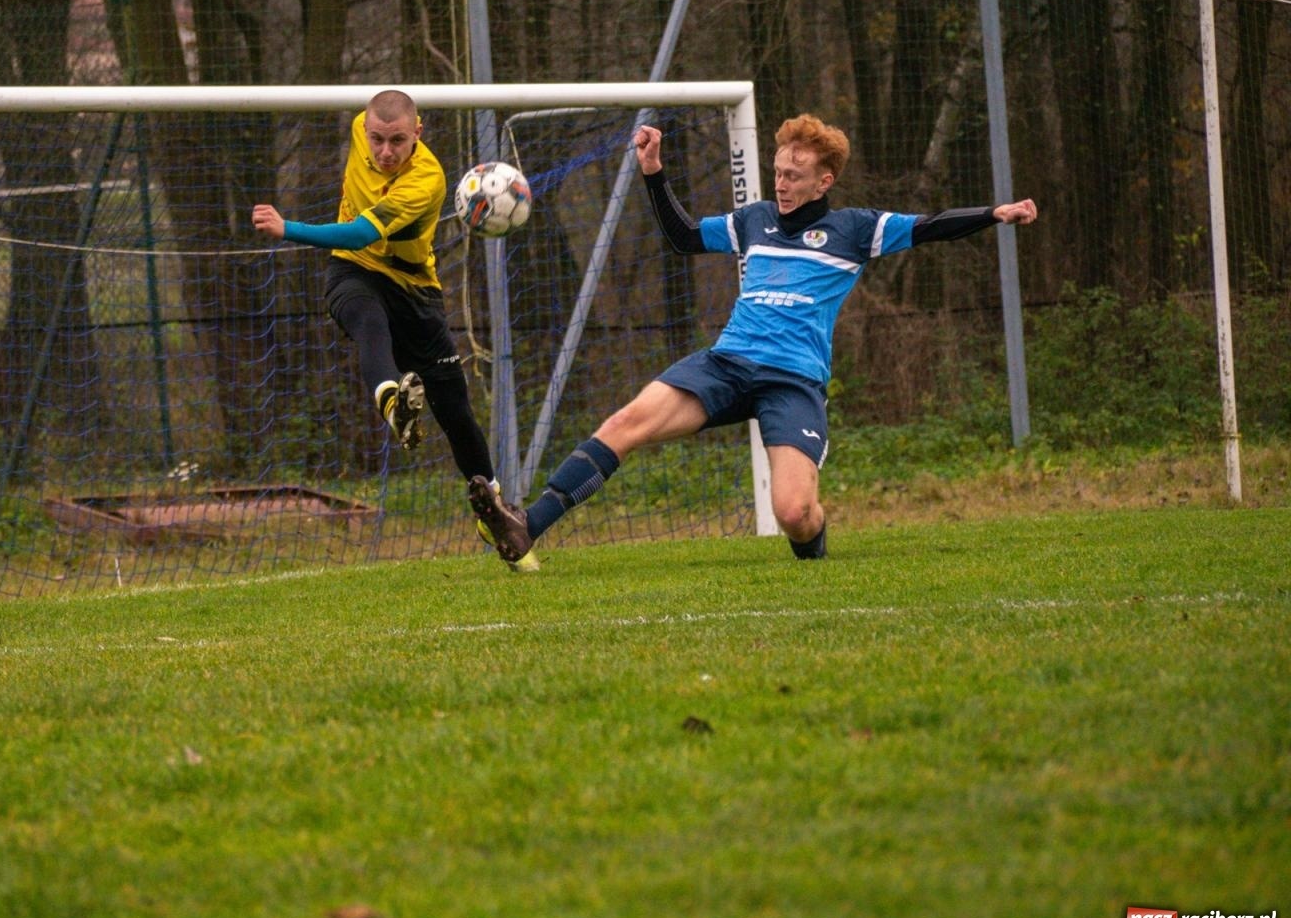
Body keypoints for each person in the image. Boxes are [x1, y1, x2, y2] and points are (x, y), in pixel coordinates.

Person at [467, 113, 1038, 566]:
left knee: (793, 513)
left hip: (793, 382)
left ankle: (813, 546)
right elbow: (685, 238)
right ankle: (524, 526)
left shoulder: (856, 229)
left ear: (824, 180)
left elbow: (931, 224)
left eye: (795, 175)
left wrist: (995, 213)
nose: (782, 183)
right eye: (779, 171)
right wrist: (654, 172)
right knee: (624, 424)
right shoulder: (755, 219)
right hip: (727, 363)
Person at [251, 89, 538, 572]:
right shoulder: (360, 131)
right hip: (352, 273)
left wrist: (289, 229)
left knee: (456, 411)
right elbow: (357, 248)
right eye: (377, 139)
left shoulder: (426, 179)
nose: (384, 152)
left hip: (415, 292)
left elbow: (362, 231)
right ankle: (391, 400)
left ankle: (492, 507)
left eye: (397, 142)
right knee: (367, 321)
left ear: (418, 134)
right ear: (364, 129)